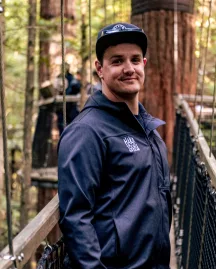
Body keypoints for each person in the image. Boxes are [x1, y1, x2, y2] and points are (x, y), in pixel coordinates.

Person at [58, 22, 172, 269]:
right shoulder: (86, 132)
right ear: (100, 69)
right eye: (117, 61)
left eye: (135, 59)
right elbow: (76, 217)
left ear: (144, 64)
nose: (129, 68)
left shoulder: (147, 129)